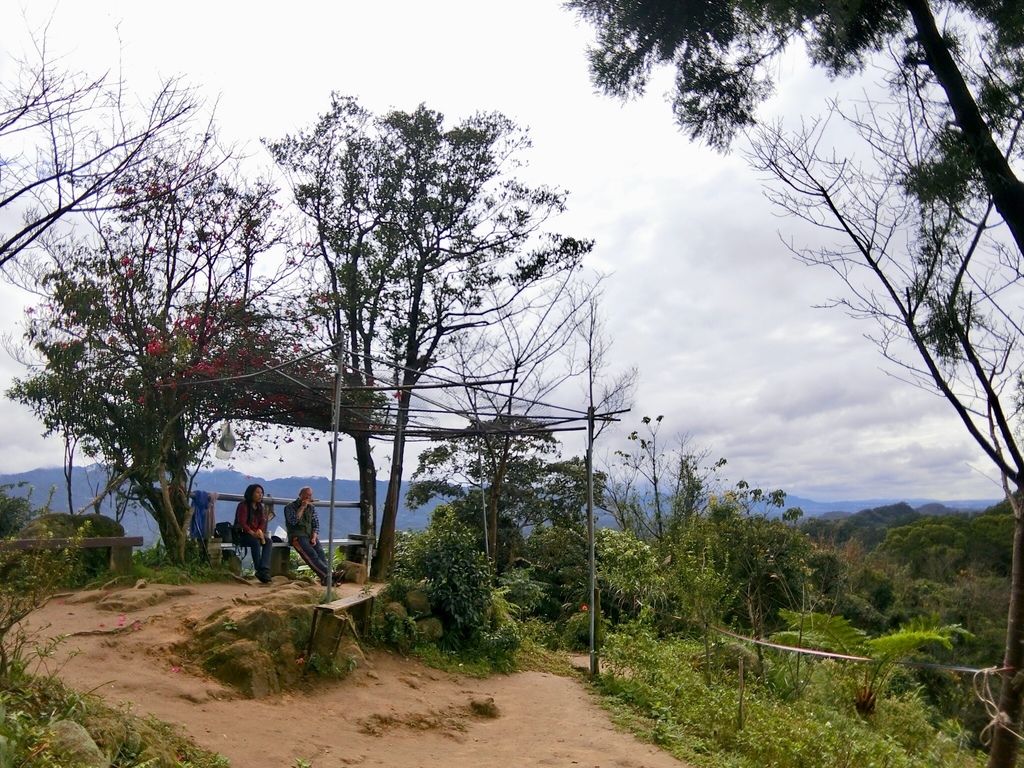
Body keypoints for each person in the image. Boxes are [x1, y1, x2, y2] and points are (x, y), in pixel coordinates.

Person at [284, 486, 331, 586]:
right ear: (300, 495)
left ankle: (327, 578)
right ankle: (330, 576)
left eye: (310, 495)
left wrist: (314, 537)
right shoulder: (289, 507)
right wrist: (302, 507)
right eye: (306, 495)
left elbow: (316, 524)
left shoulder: (312, 508)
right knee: (311, 555)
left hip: (309, 535)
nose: (309, 497)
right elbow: (293, 521)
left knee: (321, 554)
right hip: (297, 536)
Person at [234, 483, 273, 584]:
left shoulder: (260, 507)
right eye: (257, 492)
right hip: (242, 534)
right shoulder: (243, 505)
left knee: (268, 541)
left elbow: (263, 521)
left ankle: (264, 568)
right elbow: (242, 522)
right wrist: (252, 532)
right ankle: (259, 570)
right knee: (255, 542)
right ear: (251, 493)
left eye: (261, 493)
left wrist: (259, 531)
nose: (260, 495)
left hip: (255, 534)